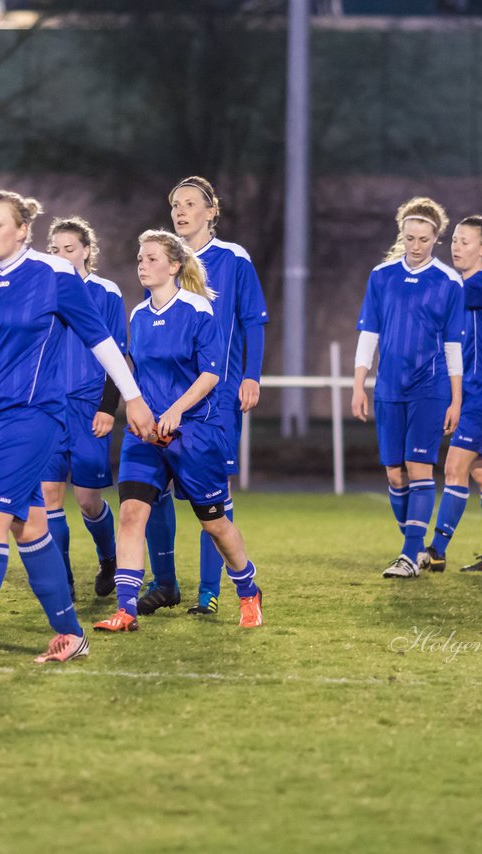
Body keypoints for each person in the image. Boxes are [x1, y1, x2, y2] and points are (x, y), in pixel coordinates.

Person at [0, 189, 156, 668]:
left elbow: (100, 339)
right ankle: (70, 633)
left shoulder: (52, 273)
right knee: (29, 525)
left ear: (23, 230)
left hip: (34, 416)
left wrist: (133, 397)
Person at [93, 230, 264, 633]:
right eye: (139, 258)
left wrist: (175, 410)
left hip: (194, 433)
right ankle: (126, 610)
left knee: (214, 523)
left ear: (173, 266)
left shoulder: (198, 309)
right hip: (147, 436)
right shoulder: (137, 315)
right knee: (132, 514)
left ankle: (248, 590)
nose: (142, 264)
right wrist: (130, 410)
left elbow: (211, 374)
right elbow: (132, 371)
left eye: (151, 258)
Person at [139, 176, 269, 618]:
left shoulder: (234, 259)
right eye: (176, 204)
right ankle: (165, 583)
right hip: (164, 398)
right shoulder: (161, 260)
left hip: (217, 394)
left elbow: (252, 320)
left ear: (212, 211)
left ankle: (209, 592)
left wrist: (251, 375)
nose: (181, 211)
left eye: (191, 204)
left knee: (210, 495)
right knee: (152, 488)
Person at [351, 197, 465, 579]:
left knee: (419, 468)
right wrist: (358, 386)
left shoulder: (449, 282)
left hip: (429, 388)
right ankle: (413, 546)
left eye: (424, 239)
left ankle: (409, 552)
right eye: (410, 237)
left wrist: (456, 398)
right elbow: (369, 334)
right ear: (402, 235)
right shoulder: (381, 276)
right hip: (388, 388)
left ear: (437, 239)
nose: (416, 246)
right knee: (394, 474)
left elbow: (453, 346)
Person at [421, 216, 482, 573]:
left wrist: (413, 276)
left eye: (464, 241)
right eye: (454, 241)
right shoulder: (466, 283)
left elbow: (445, 296)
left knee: (454, 466)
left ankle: (436, 550)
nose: (456, 247)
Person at [42, 217, 126, 599]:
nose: (61, 256)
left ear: (87, 250)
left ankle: (109, 558)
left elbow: (118, 355)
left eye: (69, 249)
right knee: (48, 498)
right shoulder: (40, 292)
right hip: (47, 409)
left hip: (89, 408)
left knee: (89, 501)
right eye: (55, 250)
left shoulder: (106, 293)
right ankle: (63, 580)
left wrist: (109, 407)